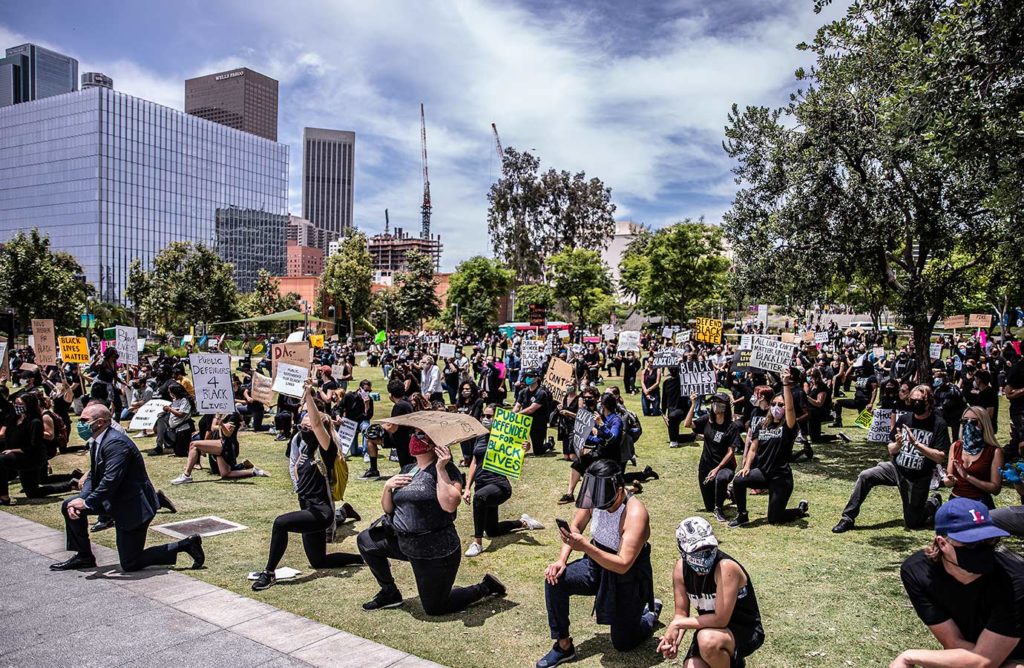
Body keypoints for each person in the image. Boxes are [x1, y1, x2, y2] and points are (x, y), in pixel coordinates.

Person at [356, 429, 506, 613]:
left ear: (435, 444)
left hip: (434, 549)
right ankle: (389, 593)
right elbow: (388, 509)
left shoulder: (448, 470)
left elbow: (450, 504)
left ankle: (486, 587)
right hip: (404, 542)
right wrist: (387, 487)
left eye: (421, 435)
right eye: (414, 434)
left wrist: (441, 468)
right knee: (366, 540)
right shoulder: (408, 469)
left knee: (435, 607)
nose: (414, 438)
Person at [537, 460, 661, 668]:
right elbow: (575, 527)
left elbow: (623, 564)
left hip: (626, 576)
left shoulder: (635, 514)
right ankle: (563, 645)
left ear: (619, 490)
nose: (598, 504)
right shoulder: (597, 494)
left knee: (623, 643)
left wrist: (585, 547)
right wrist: (561, 560)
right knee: (555, 580)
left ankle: (649, 614)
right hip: (595, 564)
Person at [50, 404, 200, 572]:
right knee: (69, 505)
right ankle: (84, 556)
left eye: (84, 420)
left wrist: (87, 503)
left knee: (130, 562)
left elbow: (110, 480)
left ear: (99, 422)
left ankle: (186, 545)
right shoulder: (97, 440)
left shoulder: (115, 443)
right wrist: (82, 499)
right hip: (113, 500)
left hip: (133, 506)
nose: (80, 424)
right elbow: (94, 474)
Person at [251, 382, 362, 591]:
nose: (303, 427)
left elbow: (319, 425)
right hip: (308, 509)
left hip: (320, 512)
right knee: (318, 561)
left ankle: (269, 573)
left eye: (307, 425)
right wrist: (303, 395)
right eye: (301, 424)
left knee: (280, 524)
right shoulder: (304, 450)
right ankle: (364, 555)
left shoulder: (325, 451)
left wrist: (310, 395)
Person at [893, 498, 1024, 668]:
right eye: (971, 543)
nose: (982, 548)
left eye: (989, 540)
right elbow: (953, 642)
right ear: (942, 543)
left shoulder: (1015, 579)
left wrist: (909, 656)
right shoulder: (918, 572)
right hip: (979, 655)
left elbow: (984, 662)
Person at [832, 384, 950, 533]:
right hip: (896, 468)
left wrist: (917, 444)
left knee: (913, 523)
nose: (915, 404)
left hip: (918, 477)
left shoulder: (938, 424)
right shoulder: (905, 419)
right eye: (912, 400)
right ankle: (847, 518)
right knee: (865, 476)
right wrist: (898, 445)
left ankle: (932, 503)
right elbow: (890, 449)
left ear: (929, 402)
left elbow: (940, 457)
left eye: (919, 401)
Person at [657, 517, 765, 665]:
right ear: (683, 550)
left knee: (707, 641)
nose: (705, 556)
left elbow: (721, 620)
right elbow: (681, 614)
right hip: (709, 630)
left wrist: (677, 625)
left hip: (743, 629)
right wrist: (674, 640)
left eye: (708, 548)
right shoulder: (680, 569)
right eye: (697, 550)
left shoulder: (726, 567)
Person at [463, 403, 545, 557]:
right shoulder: (480, 436)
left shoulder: (507, 436)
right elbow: (474, 461)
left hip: (499, 485)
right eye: (484, 416)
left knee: (479, 498)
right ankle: (524, 522)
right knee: (492, 531)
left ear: (498, 418)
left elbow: (515, 457)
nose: (485, 419)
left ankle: (477, 543)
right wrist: (467, 487)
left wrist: (524, 449)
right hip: (481, 485)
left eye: (489, 416)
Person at [729, 372, 809, 528]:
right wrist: (746, 467)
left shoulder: (789, 426)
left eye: (781, 405)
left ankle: (799, 510)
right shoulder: (763, 425)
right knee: (739, 480)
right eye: (773, 404)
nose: (776, 407)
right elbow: (753, 449)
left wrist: (785, 383)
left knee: (774, 518)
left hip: (780, 478)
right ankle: (742, 515)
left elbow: (791, 409)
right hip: (763, 473)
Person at [0, 393, 78, 503]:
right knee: (33, 493)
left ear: (29, 405)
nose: (16, 406)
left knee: (1, 460)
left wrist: (12, 451)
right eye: (15, 403)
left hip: (32, 457)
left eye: (20, 404)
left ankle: (3, 497)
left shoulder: (35, 422)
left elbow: (33, 446)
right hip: (18, 456)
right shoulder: (13, 419)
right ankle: (70, 485)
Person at [685, 393, 740, 523]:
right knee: (708, 506)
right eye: (714, 401)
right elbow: (688, 424)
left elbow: (731, 451)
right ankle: (728, 494)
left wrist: (718, 468)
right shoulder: (706, 420)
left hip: (724, 466)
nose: (715, 404)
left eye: (719, 402)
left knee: (721, 478)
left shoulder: (732, 427)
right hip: (705, 465)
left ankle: (719, 508)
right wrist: (693, 404)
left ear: (726, 406)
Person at [171, 412, 269, 484]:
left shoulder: (233, 414)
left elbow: (228, 433)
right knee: (225, 474)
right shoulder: (218, 413)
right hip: (218, 443)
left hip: (227, 444)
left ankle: (186, 475)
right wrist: (222, 425)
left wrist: (221, 424)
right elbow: (213, 427)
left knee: (193, 444)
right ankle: (254, 472)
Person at [942, 406, 1003, 509]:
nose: (969, 425)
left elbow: (995, 489)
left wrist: (968, 477)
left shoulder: (994, 451)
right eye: (965, 421)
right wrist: (948, 480)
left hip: (980, 503)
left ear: (984, 424)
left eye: (974, 422)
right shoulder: (956, 446)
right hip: (956, 501)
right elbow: (949, 481)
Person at [513, 369, 554, 456]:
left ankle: (550, 443)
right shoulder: (523, 392)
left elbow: (531, 409)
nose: (528, 378)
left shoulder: (541, 393)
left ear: (536, 378)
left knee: (538, 451)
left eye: (530, 376)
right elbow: (517, 406)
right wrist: (512, 414)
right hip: (524, 422)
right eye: (527, 376)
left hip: (538, 423)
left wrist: (518, 414)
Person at [832, 357, 877, 427]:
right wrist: (852, 365)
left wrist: (871, 403)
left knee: (866, 425)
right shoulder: (859, 376)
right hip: (856, 401)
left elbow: (874, 390)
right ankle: (838, 422)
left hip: (865, 402)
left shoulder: (872, 377)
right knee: (837, 402)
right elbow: (847, 375)